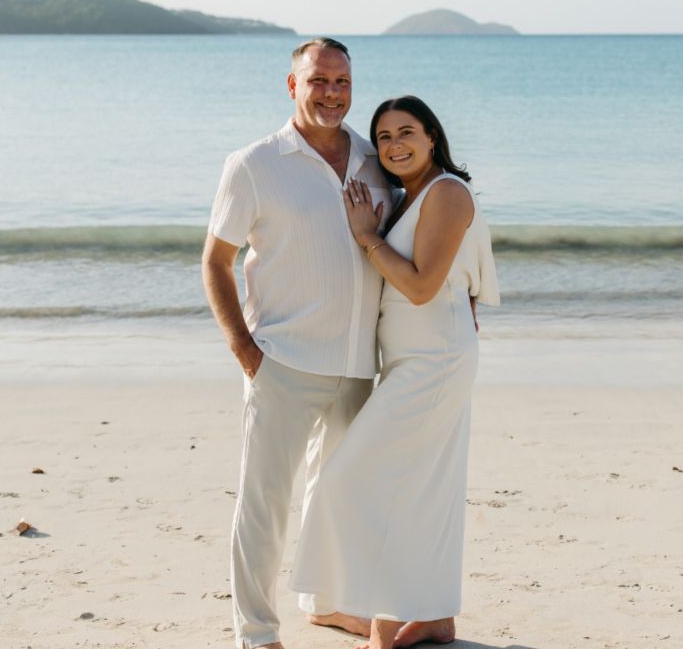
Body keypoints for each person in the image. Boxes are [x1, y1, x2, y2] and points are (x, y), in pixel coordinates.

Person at [201, 38, 392, 649]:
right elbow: (215, 261)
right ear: (293, 86)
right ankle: (256, 633)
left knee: (336, 497)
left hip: (358, 364)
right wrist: (244, 350)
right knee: (265, 504)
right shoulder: (254, 164)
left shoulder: (376, 159)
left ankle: (326, 603)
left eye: (342, 82)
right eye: (318, 81)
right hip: (282, 362)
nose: (332, 93)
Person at [290, 95, 500, 649]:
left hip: (435, 362)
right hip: (412, 359)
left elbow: (422, 286)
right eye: (383, 137)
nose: (394, 145)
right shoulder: (409, 199)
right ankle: (434, 615)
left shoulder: (447, 192)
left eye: (406, 132)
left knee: (356, 480)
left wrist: (367, 238)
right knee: (425, 488)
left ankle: (383, 619)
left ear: (432, 136)